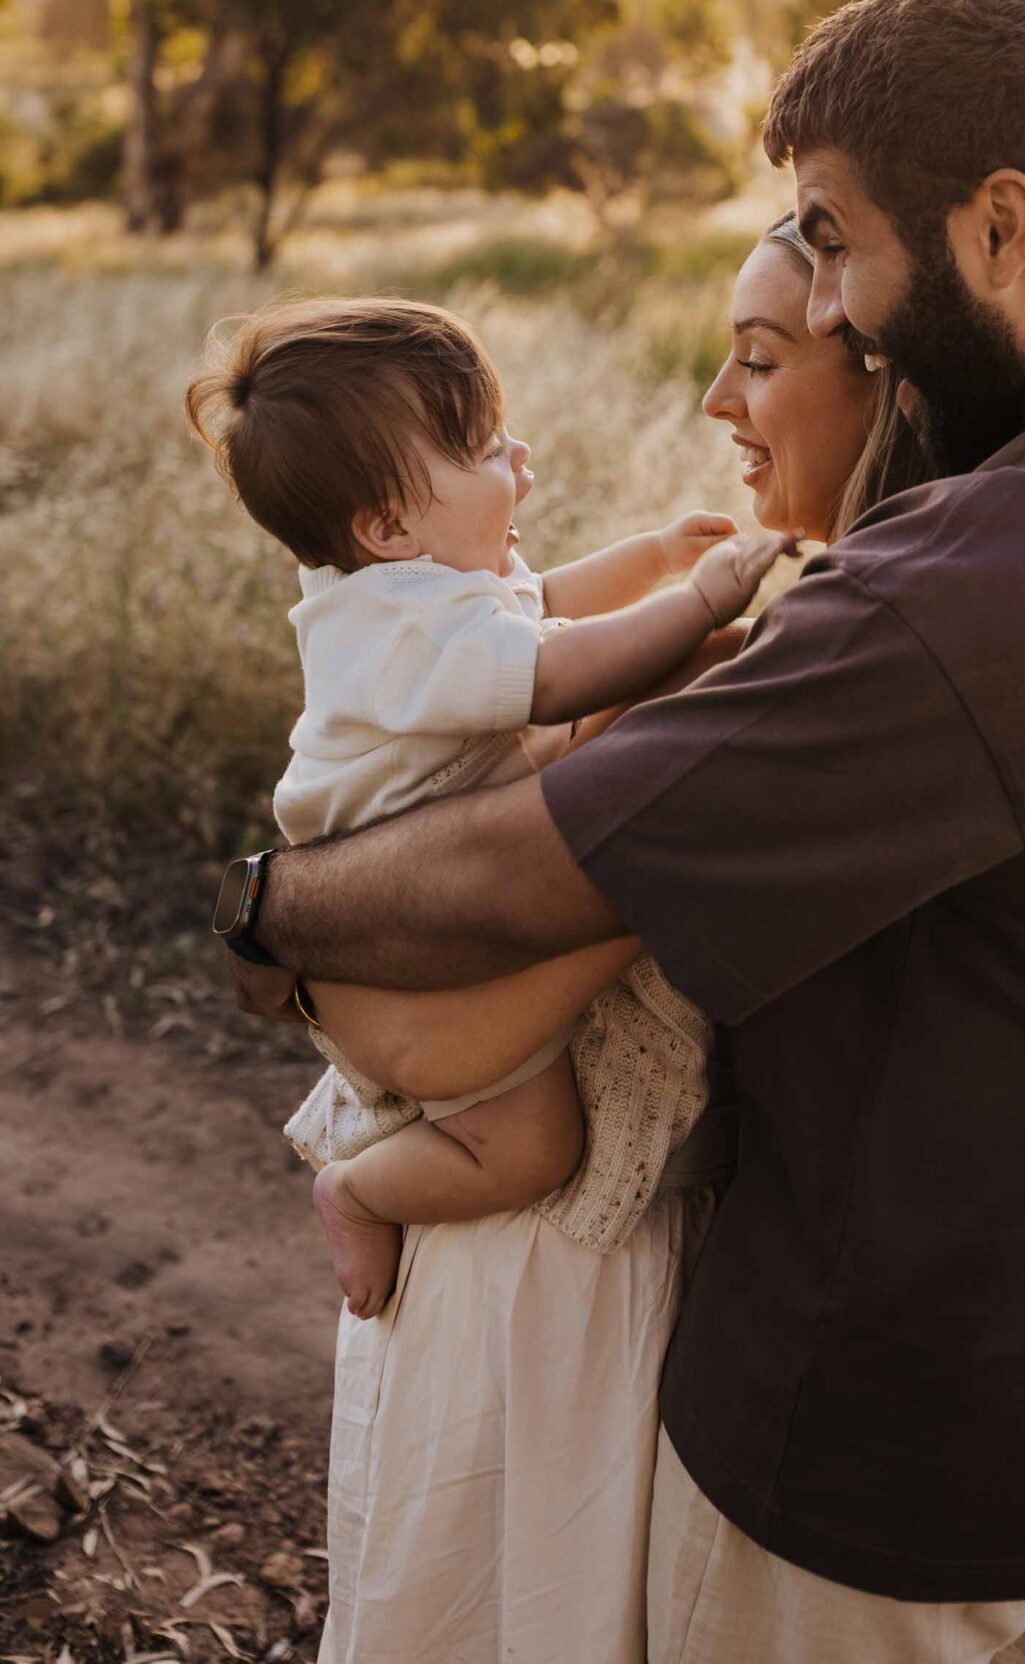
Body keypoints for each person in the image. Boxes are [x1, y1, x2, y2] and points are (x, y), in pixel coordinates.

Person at [222, 0, 1025, 1664]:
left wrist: (265, 908)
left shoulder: (1002, 574)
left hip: (896, 1470)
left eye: (841, 248)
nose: (850, 311)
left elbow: (514, 894)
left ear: (999, 226)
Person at [187, 295, 790, 1322]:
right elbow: (553, 671)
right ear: (386, 524)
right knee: (527, 1146)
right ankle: (360, 1189)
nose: (517, 454)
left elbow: (538, 601)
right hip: (402, 922)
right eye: (479, 448)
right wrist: (693, 603)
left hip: (446, 852)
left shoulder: (414, 586)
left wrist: (649, 555)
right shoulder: (401, 633)